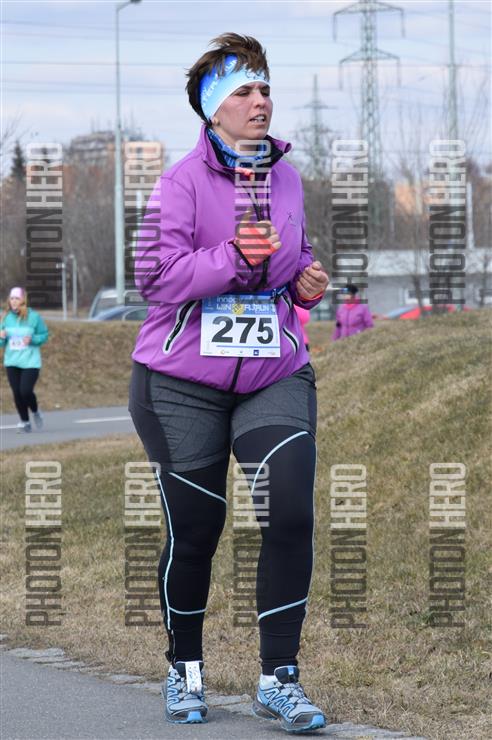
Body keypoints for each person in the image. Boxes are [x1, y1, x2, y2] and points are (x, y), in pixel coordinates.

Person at [129, 34, 329, 733]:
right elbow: (153, 277)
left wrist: (306, 282)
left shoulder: (288, 178)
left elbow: (294, 259)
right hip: (180, 381)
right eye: (244, 91)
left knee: (290, 512)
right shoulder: (181, 182)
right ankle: (184, 668)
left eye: (265, 88)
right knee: (197, 529)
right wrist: (229, 256)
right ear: (214, 108)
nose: (260, 101)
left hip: (275, 372)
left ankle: (279, 679)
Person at [0, 287, 48, 432]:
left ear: (23, 300)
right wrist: (1, 337)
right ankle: (25, 422)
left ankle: (35, 411)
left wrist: (32, 339)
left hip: (30, 362)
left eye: (17, 298)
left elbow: (44, 335)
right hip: (12, 361)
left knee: (25, 391)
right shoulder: (6, 318)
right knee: (17, 393)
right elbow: (2, 343)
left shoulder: (34, 317)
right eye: (12, 298)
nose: (14, 301)